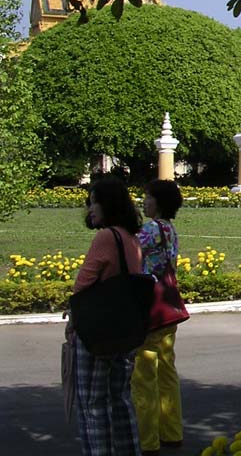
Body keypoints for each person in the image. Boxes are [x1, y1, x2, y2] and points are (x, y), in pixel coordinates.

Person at [71, 176, 144, 456]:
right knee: (120, 400)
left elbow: (84, 283)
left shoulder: (105, 236)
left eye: (94, 203)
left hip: (97, 329)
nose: (90, 209)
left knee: (92, 403)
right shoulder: (131, 238)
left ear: (107, 204)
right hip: (127, 328)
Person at [132, 180, 186, 456]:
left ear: (159, 201)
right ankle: (172, 432)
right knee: (167, 373)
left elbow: (130, 253)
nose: (144, 201)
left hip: (150, 307)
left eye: (148, 197)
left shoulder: (150, 229)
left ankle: (147, 441)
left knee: (143, 377)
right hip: (169, 304)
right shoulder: (170, 229)